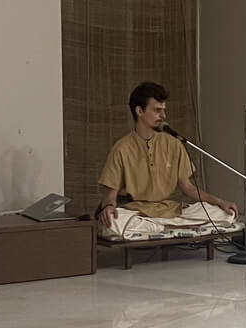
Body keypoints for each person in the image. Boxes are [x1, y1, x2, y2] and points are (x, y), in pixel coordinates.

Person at [96, 82, 237, 231]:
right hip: (136, 212)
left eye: (163, 110)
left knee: (223, 213)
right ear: (139, 111)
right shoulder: (121, 149)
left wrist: (219, 202)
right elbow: (110, 195)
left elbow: (188, 187)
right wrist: (109, 207)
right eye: (157, 110)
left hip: (168, 210)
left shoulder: (173, 143)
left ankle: (162, 228)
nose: (163, 116)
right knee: (113, 221)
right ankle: (175, 228)